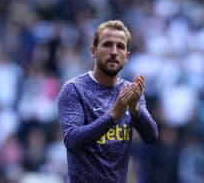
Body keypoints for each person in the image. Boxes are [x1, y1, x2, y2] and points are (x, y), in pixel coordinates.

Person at [57, 20, 159, 183]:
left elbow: (152, 136)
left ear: (127, 56)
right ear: (93, 51)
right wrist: (112, 116)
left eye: (120, 46)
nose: (114, 51)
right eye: (107, 45)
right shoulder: (74, 89)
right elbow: (72, 140)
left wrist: (135, 110)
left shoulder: (130, 90)